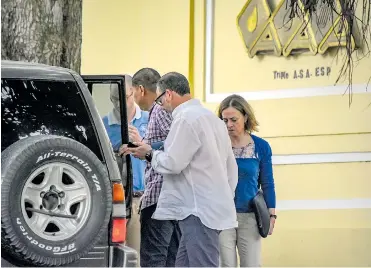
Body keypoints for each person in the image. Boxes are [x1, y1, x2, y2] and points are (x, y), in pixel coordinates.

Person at [123, 72, 238, 267]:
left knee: (202, 263)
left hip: (197, 209)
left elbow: (174, 163)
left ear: (168, 94)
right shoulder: (213, 120)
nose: (160, 106)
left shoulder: (185, 119)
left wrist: (149, 153)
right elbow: (231, 169)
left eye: (159, 101)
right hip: (204, 208)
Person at [217, 94, 277, 267]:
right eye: (224, 120)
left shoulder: (261, 147)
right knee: (225, 265)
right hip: (221, 216)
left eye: (234, 119)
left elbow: (267, 183)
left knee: (251, 265)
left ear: (245, 117)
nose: (229, 125)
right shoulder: (217, 145)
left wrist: (272, 214)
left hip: (250, 216)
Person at [128, 68, 179, 267]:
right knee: (171, 257)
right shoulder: (161, 110)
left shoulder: (158, 110)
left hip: (159, 197)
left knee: (153, 257)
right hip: (170, 197)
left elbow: (176, 142)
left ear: (140, 90)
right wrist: (139, 147)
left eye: (131, 92)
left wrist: (147, 148)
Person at [102, 75, 148, 258]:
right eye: (114, 99)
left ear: (135, 92)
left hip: (144, 198)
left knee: (141, 255)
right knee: (117, 255)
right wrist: (115, 153)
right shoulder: (104, 124)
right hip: (117, 199)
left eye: (124, 97)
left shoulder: (149, 119)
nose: (119, 103)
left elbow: (165, 155)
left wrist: (141, 142)